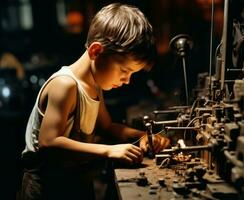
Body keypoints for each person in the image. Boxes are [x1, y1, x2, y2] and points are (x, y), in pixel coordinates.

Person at [19, 3, 170, 200]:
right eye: (125, 71)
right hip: (46, 187)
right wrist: (108, 150)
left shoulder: (94, 85)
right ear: (96, 52)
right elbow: (49, 142)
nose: (127, 80)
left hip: (77, 180)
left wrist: (144, 136)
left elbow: (106, 126)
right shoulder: (65, 85)